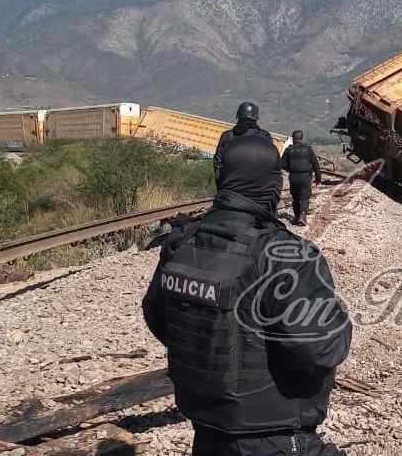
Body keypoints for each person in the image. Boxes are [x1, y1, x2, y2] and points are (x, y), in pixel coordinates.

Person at [142, 132, 352, 456]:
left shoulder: (181, 245)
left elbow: (158, 317)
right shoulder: (285, 256)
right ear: (271, 185)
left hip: (207, 434)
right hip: (276, 438)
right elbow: (320, 348)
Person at [213, 101, 273, 186]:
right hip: (257, 186)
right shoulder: (265, 136)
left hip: (231, 185)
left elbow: (217, 163)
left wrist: (222, 185)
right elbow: (271, 164)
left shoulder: (227, 136)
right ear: (255, 119)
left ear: (239, 117)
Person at [281, 130, 322, 226]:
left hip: (294, 176)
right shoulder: (308, 149)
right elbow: (316, 165)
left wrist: (290, 169)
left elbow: (282, 164)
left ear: (293, 138)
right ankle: (302, 217)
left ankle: (296, 218)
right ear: (301, 138)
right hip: (305, 176)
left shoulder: (289, 150)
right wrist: (318, 178)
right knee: (304, 197)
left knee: (295, 197)